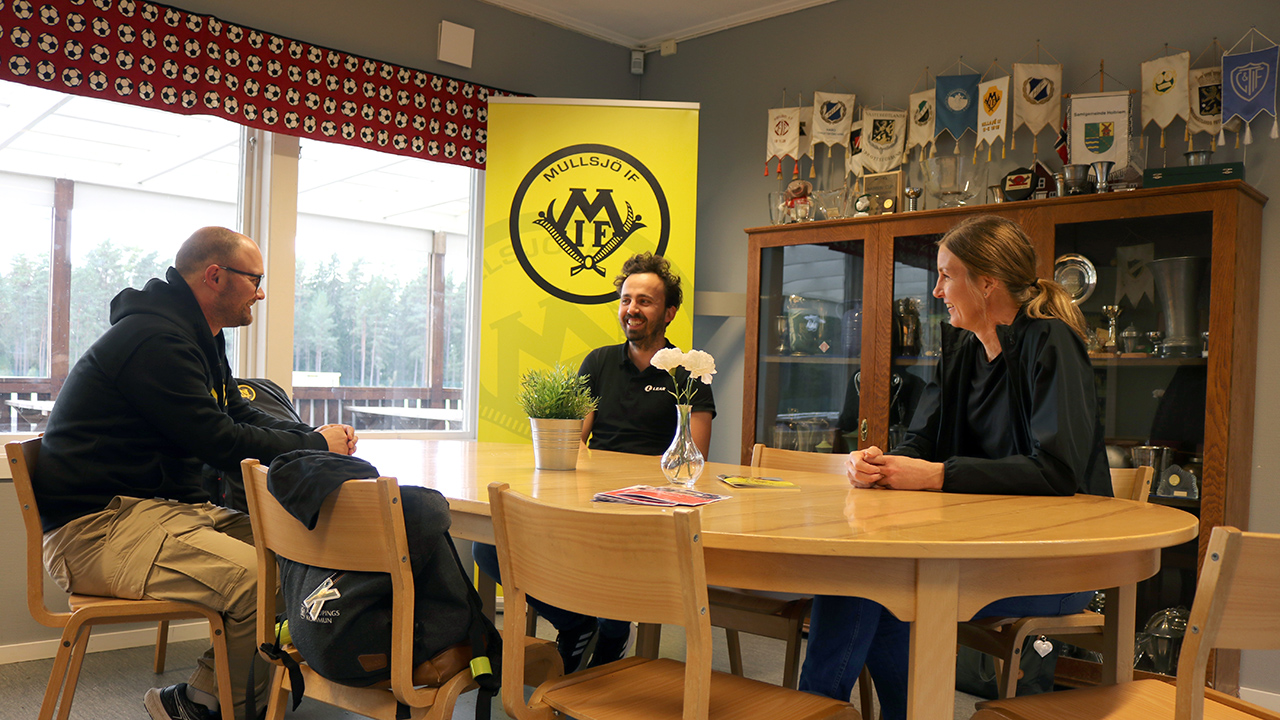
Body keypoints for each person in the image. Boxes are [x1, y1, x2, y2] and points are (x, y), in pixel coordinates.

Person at [35, 227, 358, 720]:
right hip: (97, 529)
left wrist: (310, 435)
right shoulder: (154, 340)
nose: (261, 292)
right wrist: (314, 445)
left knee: (301, 550)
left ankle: (218, 694)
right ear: (215, 276)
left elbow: (238, 415)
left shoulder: (199, 336)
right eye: (255, 280)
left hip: (161, 513)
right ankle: (212, 704)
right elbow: (220, 442)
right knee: (259, 579)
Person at [797, 215, 1111, 720]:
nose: (938, 290)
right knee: (866, 580)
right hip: (974, 549)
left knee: (870, 586)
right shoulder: (962, 349)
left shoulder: (1051, 342)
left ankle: (814, 710)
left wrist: (939, 475)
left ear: (986, 283)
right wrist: (881, 461)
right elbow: (922, 441)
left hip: (1054, 561)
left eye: (947, 275)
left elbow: (1056, 472)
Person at [473, 252, 715, 673]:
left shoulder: (689, 369)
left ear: (669, 312)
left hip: (650, 510)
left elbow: (695, 456)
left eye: (645, 301)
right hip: (590, 497)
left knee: (609, 550)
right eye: (626, 299)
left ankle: (613, 631)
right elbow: (574, 440)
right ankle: (578, 623)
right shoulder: (599, 362)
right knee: (489, 544)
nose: (632, 309)